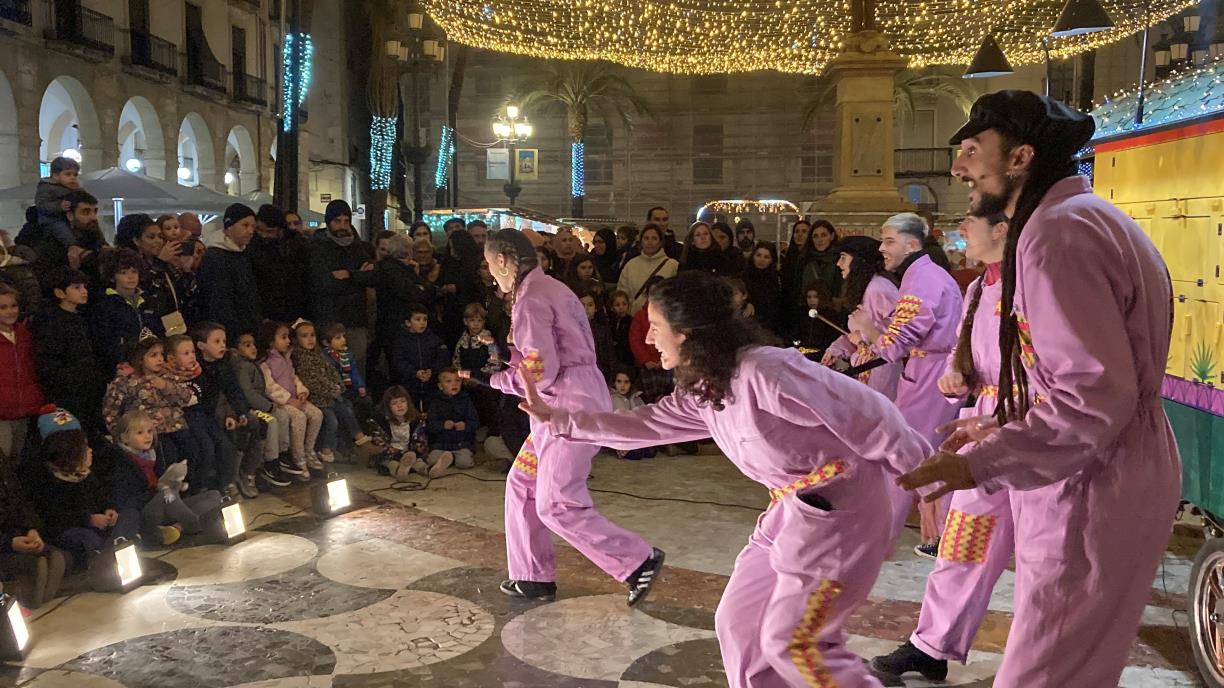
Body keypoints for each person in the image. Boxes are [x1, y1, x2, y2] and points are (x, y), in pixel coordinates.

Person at [518, 270, 931, 687]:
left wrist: (926, 473)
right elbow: (652, 423)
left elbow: (870, 413)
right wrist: (562, 420)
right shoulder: (710, 382)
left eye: (656, 328)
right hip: (790, 509)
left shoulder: (765, 371)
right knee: (739, 622)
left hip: (842, 513)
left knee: (794, 642)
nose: (647, 339)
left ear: (685, 333)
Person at [895, 90, 1180, 688]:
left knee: (1046, 671)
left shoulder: (1056, 238)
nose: (957, 169)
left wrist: (987, 460)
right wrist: (1000, 426)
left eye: (973, 151)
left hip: (1091, 476)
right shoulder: (1083, 220)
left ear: (1020, 157)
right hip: (1088, 459)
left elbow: (1093, 395)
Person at [478, 228, 664, 605]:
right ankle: (532, 576)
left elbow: (541, 371)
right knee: (522, 485)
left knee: (556, 501)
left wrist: (495, 379)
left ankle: (637, 560)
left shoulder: (529, 300)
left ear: (501, 260)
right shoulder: (554, 288)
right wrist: (506, 357)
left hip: (566, 407)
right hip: (571, 398)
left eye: (489, 264)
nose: (491, 274)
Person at [871, 209, 1011, 683]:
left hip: (1035, 437)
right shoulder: (975, 289)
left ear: (1003, 230)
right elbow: (961, 357)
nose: (959, 230)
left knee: (1046, 560)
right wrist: (957, 379)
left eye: (970, 217)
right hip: (983, 434)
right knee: (964, 541)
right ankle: (932, 644)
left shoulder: (1037, 287)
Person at [850, 213, 964, 554]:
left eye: (888, 241)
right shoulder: (925, 275)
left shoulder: (922, 279)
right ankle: (936, 534)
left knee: (906, 454)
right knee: (926, 454)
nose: (882, 248)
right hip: (930, 371)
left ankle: (882, 536)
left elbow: (894, 344)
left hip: (930, 375)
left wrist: (868, 328)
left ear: (911, 243)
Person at [24, 409, 139, 570]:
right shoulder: (48, 482)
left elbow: (102, 497)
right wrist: (88, 519)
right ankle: (109, 553)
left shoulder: (86, 475)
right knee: (86, 538)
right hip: (75, 530)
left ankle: (116, 544)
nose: (91, 451)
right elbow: (55, 519)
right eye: (84, 449)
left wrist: (109, 509)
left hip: (101, 526)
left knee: (130, 514)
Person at [110, 409, 223, 547]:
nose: (147, 436)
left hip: (169, 504)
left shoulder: (156, 454)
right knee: (166, 493)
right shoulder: (122, 463)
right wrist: (159, 490)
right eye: (140, 433)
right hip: (147, 511)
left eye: (150, 431)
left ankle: (177, 528)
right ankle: (196, 525)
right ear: (125, 438)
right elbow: (127, 502)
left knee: (214, 495)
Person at [822, 236, 902, 400]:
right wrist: (839, 347)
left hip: (881, 371)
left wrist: (865, 338)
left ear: (859, 261)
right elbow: (860, 335)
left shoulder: (879, 288)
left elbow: (899, 339)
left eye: (843, 258)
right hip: (868, 368)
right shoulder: (868, 287)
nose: (839, 264)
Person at [30, 267, 106, 431]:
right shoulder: (49, 323)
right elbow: (50, 363)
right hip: (67, 396)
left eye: (84, 287)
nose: (84, 291)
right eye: (77, 288)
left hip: (86, 392)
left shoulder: (81, 318)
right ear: (59, 293)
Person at [102, 335, 195, 468]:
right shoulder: (125, 382)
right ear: (140, 359)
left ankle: (188, 485)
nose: (159, 359)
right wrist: (120, 434)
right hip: (150, 432)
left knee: (191, 452)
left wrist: (165, 386)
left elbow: (184, 398)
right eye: (153, 355)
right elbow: (110, 410)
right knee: (167, 457)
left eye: (161, 354)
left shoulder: (168, 376)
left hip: (175, 426)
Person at [309, 200, 377, 374]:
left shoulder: (358, 247)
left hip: (355, 318)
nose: (342, 226)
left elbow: (371, 275)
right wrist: (357, 276)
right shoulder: (318, 248)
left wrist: (348, 274)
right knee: (332, 366)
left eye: (346, 221)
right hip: (330, 317)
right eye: (337, 221)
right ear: (329, 222)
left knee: (357, 362)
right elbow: (324, 283)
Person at [258, 320, 322, 480]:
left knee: (317, 414)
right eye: (283, 337)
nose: (288, 341)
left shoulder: (286, 357)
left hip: (295, 399)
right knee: (299, 418)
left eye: (288, 337)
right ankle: (298, 458)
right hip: (281, 403)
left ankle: (308, 451)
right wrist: (288, 400)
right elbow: (269, 386)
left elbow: (293, 377)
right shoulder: (266, 362)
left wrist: (301, 391)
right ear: (271, 340)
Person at [0, 453, 66, 608]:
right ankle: (29, 591)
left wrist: (31, 529)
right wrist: (8, 542)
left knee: (56, 556)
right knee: (33, 563)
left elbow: (20, 500)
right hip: (5, 544)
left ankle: (38, 591)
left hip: (16, 533)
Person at [230, 332, 291, 491]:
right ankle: (270, 462)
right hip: (251, 408)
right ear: (236, 349)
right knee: (271, 421)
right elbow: (248, 393)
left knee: (283, 416)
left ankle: (282, 454)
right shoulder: (241, 367)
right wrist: (267, 406)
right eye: (247, 345)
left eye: (253, 344)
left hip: (261, 404)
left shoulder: (251, 364)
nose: (253, 348)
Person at [89, 248, 161, 374]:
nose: (130, 277)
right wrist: (119, 362)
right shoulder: (105, 304)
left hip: (153, 364)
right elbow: (103, 341)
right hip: (123, 367)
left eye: (134, 271)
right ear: (112, 276)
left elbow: (160, 330)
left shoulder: (149, 300)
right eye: (123, 272)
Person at [196, 204, 262, 338]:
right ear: (229, 226)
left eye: (253, 227)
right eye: (245, 225)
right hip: (229, 334)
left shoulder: (243, 254)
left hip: (247, 330)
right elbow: (218, 302)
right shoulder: (215, 257)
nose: (250, 231)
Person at [0, 284, 45, 460]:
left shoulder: (25, 335)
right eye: (3, 307)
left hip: (25, 410)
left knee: (17, 459)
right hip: (2, 413)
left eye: (13, 306)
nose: (10, 311)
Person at [249, 205, 312, 324]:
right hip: (265, 315)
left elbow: (306, 282)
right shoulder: (253, 247)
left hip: (294, 313)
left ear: (281, 230)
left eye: (269, 231)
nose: (264, 235)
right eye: (259, 230)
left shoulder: (298, 247)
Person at [390, 304, 449, 410]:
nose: (422, 323)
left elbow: (442, 357)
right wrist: (414, 372)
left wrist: (432, 370)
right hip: (409, 385)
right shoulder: (401, 341)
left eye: (425, 319)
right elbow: (398, 361)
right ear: (408, 322)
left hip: (431, 385)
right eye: (418, 319)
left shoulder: (434, 339)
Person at [424, 368, 478, 475]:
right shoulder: (435, 402)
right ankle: (446, 460)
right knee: (432, 460)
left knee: (465, 463)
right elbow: (430, 424)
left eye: (457, 381)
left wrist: (465, 425)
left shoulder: (466, 400)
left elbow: (475, 421)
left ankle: (450, 459)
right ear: (440, 386)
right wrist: (442, 425)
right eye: (448, 381)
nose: (454, 384)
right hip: (440, 443)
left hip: (461, 443)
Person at [617, 224, 679, 312]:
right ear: (641, 241)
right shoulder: (630, 265)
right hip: (634, 318)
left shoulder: (673, 265)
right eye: (646, 238)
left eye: (654, 238)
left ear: (660, 242)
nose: (650, 242)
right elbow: (622, 294)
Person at [372, 385, 426, 479]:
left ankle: (428, 470)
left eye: (403, 401)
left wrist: (417, 450)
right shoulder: (382, 421)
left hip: (409, 452)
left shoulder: (416, 420)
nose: (399, 405)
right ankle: (399, 471)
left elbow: (421, 440)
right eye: (394, 403)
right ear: (388, 407)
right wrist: (393, 451)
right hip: (390, 454)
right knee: (389, 463)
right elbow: (379, 443)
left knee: (418, 461)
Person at [34, 156, 84, 250]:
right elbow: (42, 204)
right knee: (63, 231)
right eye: (68, 174)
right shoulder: (46, 187)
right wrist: (59, 206)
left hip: (70, 218)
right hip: (52, 219)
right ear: (56, 175)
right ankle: (73, 247)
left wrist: (79, 190)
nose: (72, 178)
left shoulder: (73, 188)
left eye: (75, 175)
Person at [607, 367, 654, 461]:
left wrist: (632, 401)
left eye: (626, 382)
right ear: (614, 383)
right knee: (637, 454)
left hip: (639, 435)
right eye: (619, 381)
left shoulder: (636, 397)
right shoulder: (612, 399)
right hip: (623, 437)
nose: (622, 385)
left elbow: (645, 417)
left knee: (651, 452)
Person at [742, 242, 781, 335]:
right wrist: (747, 302)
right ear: (753, 256)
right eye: (758, 255)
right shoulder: (743, 277)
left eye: (766, 257)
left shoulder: (776, 279)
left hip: (769, 329)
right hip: (746, 328)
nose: (761, 260)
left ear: (772, 260)